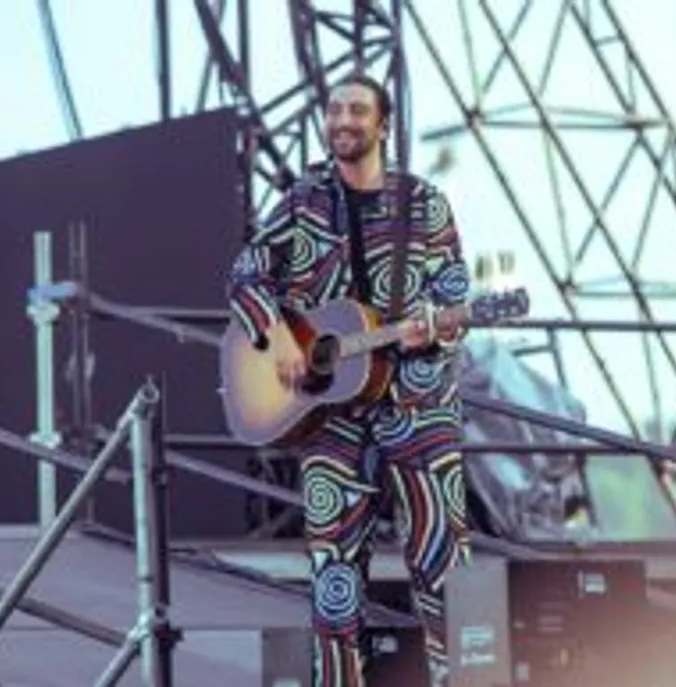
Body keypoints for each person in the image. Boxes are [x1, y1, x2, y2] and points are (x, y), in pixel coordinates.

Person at [226, 73, 472, 687]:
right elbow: (247, 271)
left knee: (444, 572)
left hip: (419, 411)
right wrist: (278, 335)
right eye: (335, 110)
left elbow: (454, 296)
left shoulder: (425, 204)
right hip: (331, 418)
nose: (342, 120)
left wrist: (433, 329)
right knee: (334, 582)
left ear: (383, 124)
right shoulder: (303, 202)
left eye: (357, 110)